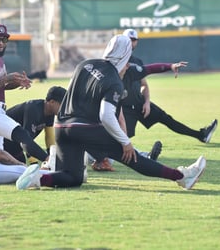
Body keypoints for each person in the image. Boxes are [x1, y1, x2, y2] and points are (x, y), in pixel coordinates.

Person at [16, 34, 206, 190]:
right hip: (84, 128)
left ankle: (38, 179)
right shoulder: (113, 80)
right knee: (133, 157)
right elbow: (106, 116)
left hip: (62, 127)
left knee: (73, 178)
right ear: (124, 56)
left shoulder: (85, 64)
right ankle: (182, 177)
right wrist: (125, 142)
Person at [121, 28, 217, 143]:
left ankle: (201, 135)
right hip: (124, 108)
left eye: (133, 40)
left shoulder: (137, 61)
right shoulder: (116, 60)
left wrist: (146, 102)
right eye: (128, 39)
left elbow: (144, 85)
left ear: (137, 42)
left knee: (167, 119)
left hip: (139, 103)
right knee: (123, 138)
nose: (131, 42)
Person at [0, 23, 49, 163]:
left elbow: (0, 86)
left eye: (4, 40)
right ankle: (50, 162)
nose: (1, 43)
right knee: (21, 134)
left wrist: (15, 83)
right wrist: (6, 79)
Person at [3, 86, 66, 164]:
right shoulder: (33, 109)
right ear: (52, 102)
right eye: (62, 105)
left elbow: (49, 137)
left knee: (22, 173)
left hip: (16, 148)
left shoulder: (50, 113)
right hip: (1, 147)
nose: (65, 109)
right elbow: (26, 142)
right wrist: (39, 161)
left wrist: (52, 157)